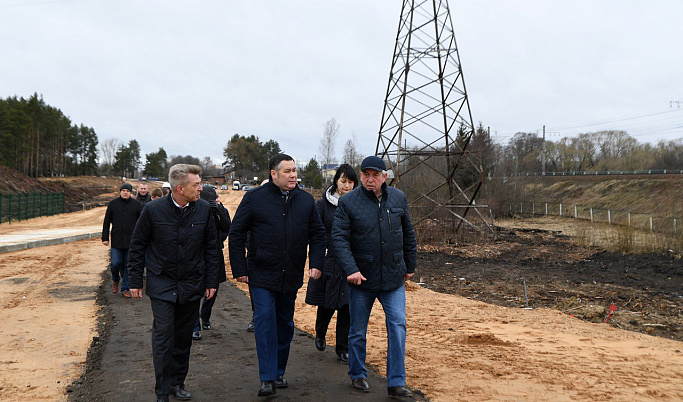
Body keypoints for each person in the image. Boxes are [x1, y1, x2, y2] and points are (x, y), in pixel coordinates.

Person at [229, 154, 325, 397]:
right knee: (264, 320)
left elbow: (317, 235)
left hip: (290, 274)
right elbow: (237, 233)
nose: (293, 175)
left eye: (295, 170)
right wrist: (239, 269)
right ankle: (267, 378)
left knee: (284, 324)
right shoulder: (254, 198)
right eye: (288, 171)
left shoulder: (305, 201)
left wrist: (316, 263)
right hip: (261, 273)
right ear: (274, 173)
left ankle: (279, 371)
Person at [128, 164, 219, 402]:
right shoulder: (152, 210)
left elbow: (211, 248)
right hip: (162, 282)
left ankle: (177, 382)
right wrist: (135, 280)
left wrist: (211, 281)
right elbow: (137, 246)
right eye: (196, 185)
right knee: (163, 336)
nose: (201, 188)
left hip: (191, 283)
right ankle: (162, 390)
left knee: (183, 338)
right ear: (180, 188)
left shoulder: (203, 211)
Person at [331, 155, 417, 398]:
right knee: (358, 330)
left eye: (375, 175)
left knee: (398, 326)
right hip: (362, 279)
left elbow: (408, 233)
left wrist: (410, 265)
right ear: (361, 176)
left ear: (384, 177)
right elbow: (338, 239)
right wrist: (351, 269)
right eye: (366, 175)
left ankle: (396, 382)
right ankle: (358, 374)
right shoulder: (348, 202)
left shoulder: (398, 198)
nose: (370, 180)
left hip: (393, 277)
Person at [305, 164, 358, 363]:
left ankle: (342, 348)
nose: (347, 185)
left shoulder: (358, 204)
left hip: (350, 263)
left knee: (346, 306)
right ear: (336, 181)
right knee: (327, 302)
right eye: (343, 181)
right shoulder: (323, 205)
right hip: (329, 260)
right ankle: (320, 333)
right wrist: (317, 260)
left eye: (351, 182)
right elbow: (316, 234)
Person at [192, 185, 231, 341]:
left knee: (213, 289)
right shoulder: (194, 209)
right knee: (194, 291)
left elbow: (227, 228)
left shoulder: (221, 210)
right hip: (195, 254)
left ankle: (205, 316)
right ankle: (195, 326)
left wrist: (218, 211)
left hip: (215, 254)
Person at [101, 182, 142, 298]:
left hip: (131, 241)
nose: (125, 192)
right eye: (123, 190)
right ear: (120, 192)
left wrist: (141, 239)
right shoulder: (113, 204)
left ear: (131, 192)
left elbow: (141, 223)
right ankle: (115, 279)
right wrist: (105, 238)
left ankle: (125, 289)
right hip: (117, 240)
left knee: (128, 265)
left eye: (127, 191)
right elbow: (106, 222)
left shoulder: (136, 205)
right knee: (115, 263)